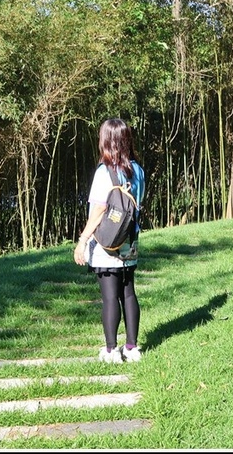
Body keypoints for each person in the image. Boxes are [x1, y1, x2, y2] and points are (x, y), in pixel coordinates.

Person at [73, 117, 145, 364]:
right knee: (128, 293)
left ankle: (111, 350)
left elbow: (99, 211)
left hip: (106, 242)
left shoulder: (104, 172)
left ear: (105, 141)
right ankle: (132, 348)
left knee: (109, 297)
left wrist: (82, 240)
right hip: (129, 240)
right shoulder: (138, 171)